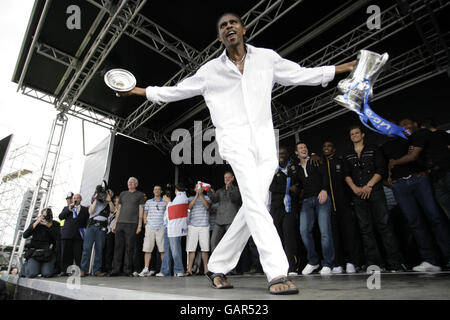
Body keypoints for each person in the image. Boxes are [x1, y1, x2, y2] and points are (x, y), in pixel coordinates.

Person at [119, 12, 355, 294]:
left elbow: (300, 74)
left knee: (255, 204)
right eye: (222, 26)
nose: (228, 27)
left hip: (265, 143)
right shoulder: (209, 71)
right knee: (257, 202)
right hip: (234, 142)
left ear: (243, 29)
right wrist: (138, 91)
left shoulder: (266, 58)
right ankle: (277, 272)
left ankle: (217, 265)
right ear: (220, 36)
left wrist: (341, 69)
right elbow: (176, 91)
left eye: (233, 23)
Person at [384, 119, 450, 270]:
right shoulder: (385, 147)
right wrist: (391, 183)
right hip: (400, 185)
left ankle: (448, 256)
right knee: (414, 222)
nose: (401, 127)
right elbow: (383, 169)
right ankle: (430, 260)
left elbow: (416, 156)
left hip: (421, 180)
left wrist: (397, 162)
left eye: (403, 125)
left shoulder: (414, 138)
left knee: (435, 217)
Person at [343, 125, 405, 272]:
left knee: (384, 225)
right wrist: (355, 189)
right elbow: (346, 174)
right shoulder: (347, 154)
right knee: (365, 229)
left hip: (375, 191)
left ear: (362, 134)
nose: (355, 135)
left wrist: (369, 186)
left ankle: (395, 263)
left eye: (357, 133)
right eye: (352, 134)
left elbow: (381, 169)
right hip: (357, 194)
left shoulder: (374, 148)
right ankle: (375, 264)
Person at [389, 118, 450, 220]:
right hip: (436, 178)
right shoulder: (411, 142)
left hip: (447, 172)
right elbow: (417, 160)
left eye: (406, 124)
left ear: (415, 124)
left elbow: (413, 156)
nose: (404, 127)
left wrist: (394, 162)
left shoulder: (422, 133)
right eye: (401, 126)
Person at [293, 142, 334, 275]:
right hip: (306, 201)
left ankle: (328, 263)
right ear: (296, 153)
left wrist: (324, 190)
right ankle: (313, 261)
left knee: (325, 231)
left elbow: (326, 176)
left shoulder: (316, 161)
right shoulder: (297, 168)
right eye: (300, 148)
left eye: (305, 147)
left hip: (321, 198)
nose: (303, 149)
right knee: (304, 231)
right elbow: (295, 183)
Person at [322, 141, 362, 274]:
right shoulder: (321, 163)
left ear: (334, 148)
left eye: (329, 146)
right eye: (324, 147)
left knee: (349, 234)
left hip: (344, 203)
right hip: (329, 207)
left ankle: (352, 262)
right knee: (334, 235)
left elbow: (348, 178)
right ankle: (338, 263)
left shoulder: (341, 161)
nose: (326, 148)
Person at [268, 146, 300, 275]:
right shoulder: (272, 170)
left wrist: (293, 189)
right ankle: (279, 267)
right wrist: (287, 188)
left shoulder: (293, 168)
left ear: (288, 154)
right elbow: (271, 187)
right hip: (276, 208)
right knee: (278, 237)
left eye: (283, 153)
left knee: (289, 236)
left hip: (290, 207)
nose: (281, 155)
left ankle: (292, 267)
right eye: (279, 153)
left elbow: (298, 185)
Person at [110, 177, 145, 277]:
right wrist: (115, 224)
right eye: (129, 182)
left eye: (132, 182)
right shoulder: (123, 194)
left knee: (129, 248)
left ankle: (127, 270)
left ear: (136, 184)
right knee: (118, 247)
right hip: (120, 223)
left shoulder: (140, 195)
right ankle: (116, 270)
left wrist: (139, 225)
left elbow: (141, 210)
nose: (130, 183)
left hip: (132, 224)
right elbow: (119, 209)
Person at [80, 188, 115, 277]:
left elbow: (112, 210)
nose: (106, 195)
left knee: (99, 249)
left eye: (109, 194)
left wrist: (109, 200)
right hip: (91, 226)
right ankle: (83, 270)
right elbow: (90, 211)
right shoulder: (95, 201)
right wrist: (95, 199)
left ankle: (97, 270)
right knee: (87, 248)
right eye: (106, 193)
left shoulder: (108, 204)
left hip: (102, 227)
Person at [157, 184, 188, 277]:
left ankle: (179, 270)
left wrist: (168, 202)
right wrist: (169, 203)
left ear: (176, 190)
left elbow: (174, 211)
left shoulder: (182, 197)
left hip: (175, 228)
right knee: (167, 250)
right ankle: (165, 270)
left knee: (175, 250)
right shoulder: (177, 198)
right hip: (169, 227)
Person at [207, 171, 241, 253]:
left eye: (229, 177)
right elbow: (214, 200)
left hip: (230, 220)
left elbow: (234, 199)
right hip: (219, 220)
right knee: (213, 242)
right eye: (225, 177)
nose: (227, 179)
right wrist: (208, 191)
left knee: (230, 243)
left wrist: (229, 188)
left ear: (233, 178)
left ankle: (231, 265)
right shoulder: (220, 190)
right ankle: (215, 264)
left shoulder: (236, 189)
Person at [22, 208, 60, 278]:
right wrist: (36, 223)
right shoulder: (36, 223)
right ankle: (26, 266)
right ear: (41, 216)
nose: (47, 217)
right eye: (45, 215)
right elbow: (25, 235)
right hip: (35, 252)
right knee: (32, 274)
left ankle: (44, 268)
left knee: (47, 273)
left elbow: (58, 237)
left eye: (49, 215)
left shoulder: (55, 224)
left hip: (48, 253)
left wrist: (49, 226)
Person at [185, 183, 212, 276]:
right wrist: (196, 196)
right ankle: (189, 270)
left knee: (205, 249)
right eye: (197, 187)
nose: (198, 188)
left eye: (200, 187)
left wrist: (201, 195)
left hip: (204, 226)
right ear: (194, 188)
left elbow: (208, 206)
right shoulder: (190, 198)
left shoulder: (207, 198)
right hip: (193, 226)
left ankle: (206, 269)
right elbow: (189, 207)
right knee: (191, 248)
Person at [58, 193, 88, 275]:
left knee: (78, 253)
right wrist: (69, 209)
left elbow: (87, 221)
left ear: (80, 199)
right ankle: (65, 270)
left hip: (78, 235)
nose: (75, 199)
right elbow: (60, 217)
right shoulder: (67, 208)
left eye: (77, 198)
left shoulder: (85, 209)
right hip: (67, 234)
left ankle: (78, 270)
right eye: (74, 198)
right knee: (66, 253)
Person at [139, 186, 166, 277]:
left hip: (161, 227)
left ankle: (164, 269)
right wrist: (145, 222)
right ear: (153, 191)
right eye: (155, 189)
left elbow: (167, 214)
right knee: (147, 248)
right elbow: (145, 213)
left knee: (162, 249)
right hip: (150, 227)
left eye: (159, 189)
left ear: (161, 191)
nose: (157, 191)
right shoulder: (149, 202)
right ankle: (146, 268)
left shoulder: (165, 202)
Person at [103, 195, 119, 274]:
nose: (118, 202)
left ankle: (117, 268)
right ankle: (108, 268)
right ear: (114, 202)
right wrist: (109, 201)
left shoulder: (124, 210)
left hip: (120, 233)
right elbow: (112, 210)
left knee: (118, 251)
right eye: (117, 201)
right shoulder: (112, 209)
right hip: (110, 232)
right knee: (109, 251)